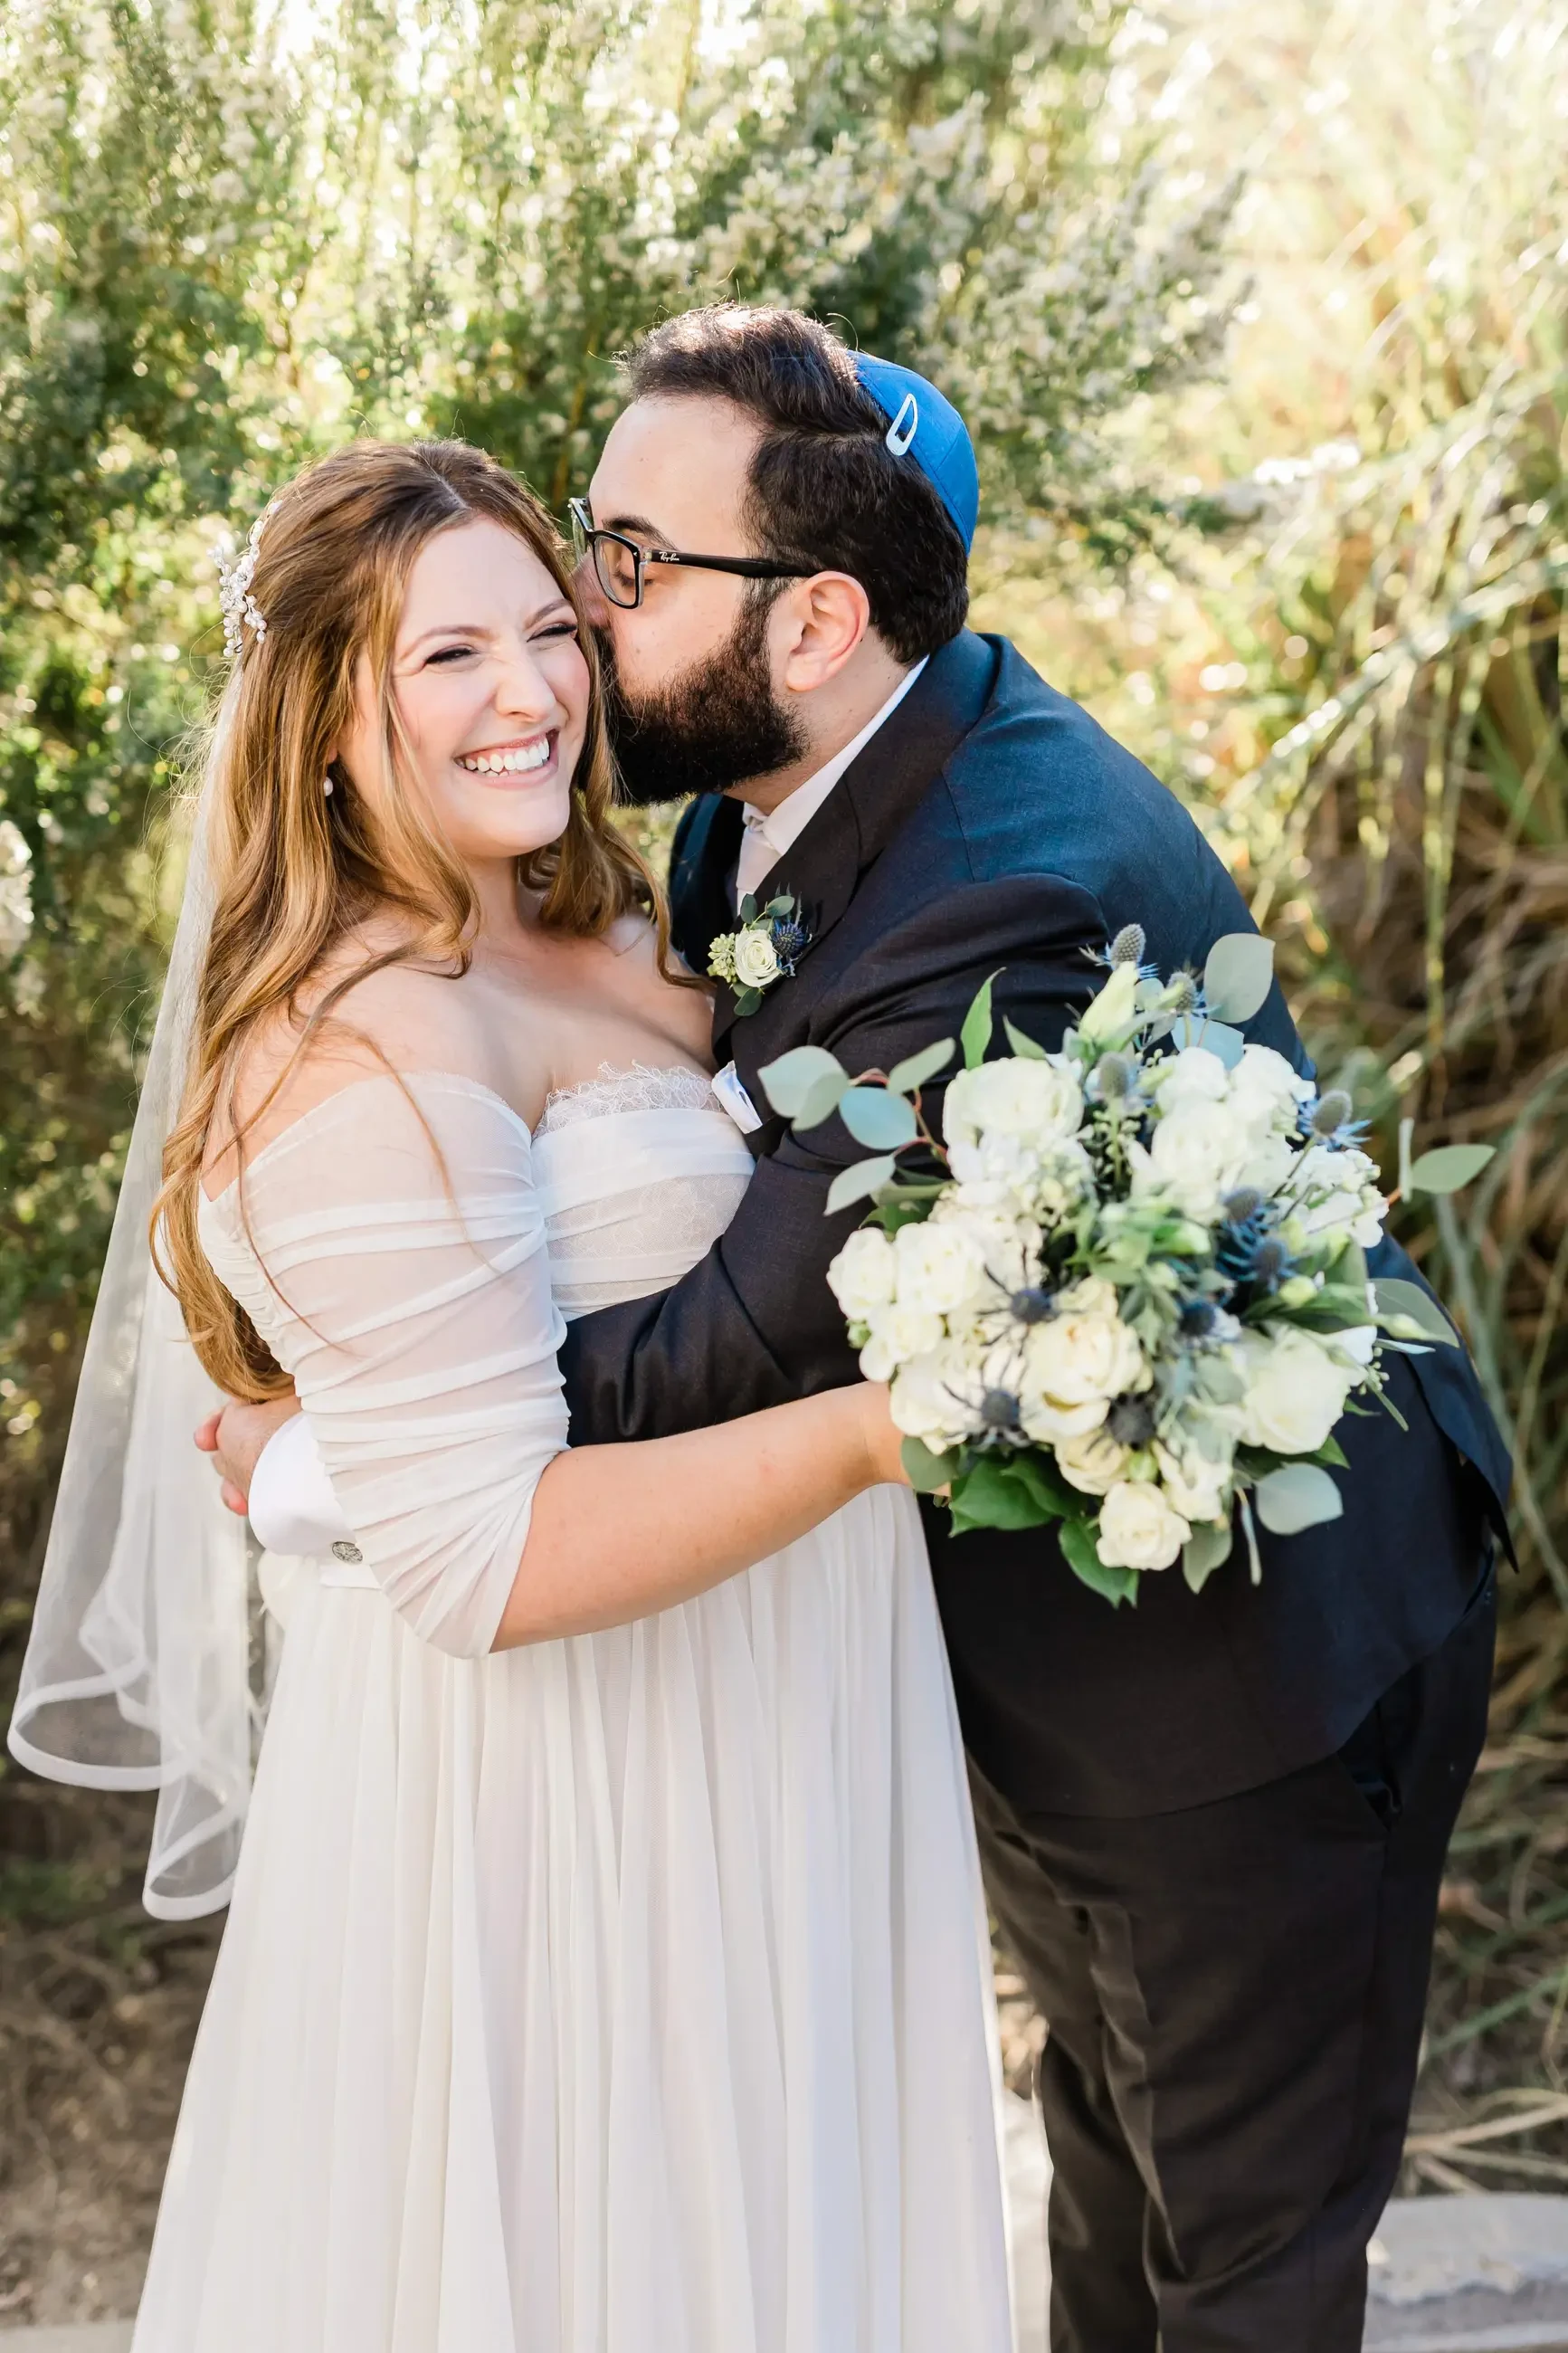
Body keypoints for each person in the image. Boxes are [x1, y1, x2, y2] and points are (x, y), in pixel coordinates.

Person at [228, 308, 1512, 2353]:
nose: (575, 608)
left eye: (624, 567)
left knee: (1238, 2271)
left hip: (1238, 1679)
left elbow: (692, 1366)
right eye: (586, 539)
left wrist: (327, 1449)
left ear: (810, 620)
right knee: (1108, 2177)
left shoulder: (984, 901)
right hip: (1036, 1677)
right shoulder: (774, 792)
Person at [8, 437, 1027, 2351]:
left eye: (549, 633)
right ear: (325, 714)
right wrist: (885, 1431)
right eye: (447, 657)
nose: (531, 694)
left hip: (784, 1725)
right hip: (573, 1807)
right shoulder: (351, 1048)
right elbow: (484, 1555)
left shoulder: (628, 926)